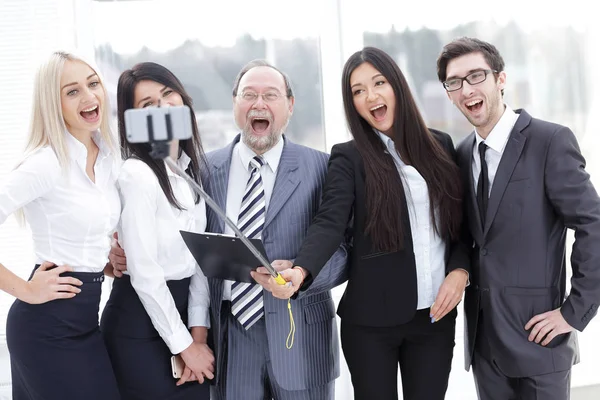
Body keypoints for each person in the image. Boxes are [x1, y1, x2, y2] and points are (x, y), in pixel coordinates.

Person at [110, 59, 348, 400]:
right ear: (235, 104)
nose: (259, 103)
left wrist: (304, 276)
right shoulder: (202, 171)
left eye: (271, 95)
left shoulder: (322, 167)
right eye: (249, 95)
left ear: (290, 105)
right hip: (232, 340)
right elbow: (188, 248)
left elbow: (344, 250)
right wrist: (118, 253)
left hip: (302, 342)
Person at [271, 46, 471, 400]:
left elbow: (461, 226)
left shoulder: (441, 146)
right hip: (371, 324)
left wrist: (460, 271)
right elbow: (329, 223)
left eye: (378, 83)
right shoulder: (349, 157)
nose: (370, 96)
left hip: (435, 319)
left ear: (397, 86)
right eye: (358, 90)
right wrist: (301, 271)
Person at [436, 36, 600, 400]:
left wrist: (573, 313)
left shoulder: (549, 141)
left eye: (476, 76)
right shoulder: (462, 155)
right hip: (484, 345)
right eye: (454, 82)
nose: (466, 89)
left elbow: (593, 224)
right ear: (448, 93)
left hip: (541, 340)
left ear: (501, 79)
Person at [0, 51, 121, 399]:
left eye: (93, 83)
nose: (88, 96)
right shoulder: (46, 163)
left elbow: (85, 230)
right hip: (45, 327)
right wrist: (26, 290)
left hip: (85, 320)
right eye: (72, 91)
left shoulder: (109, 158)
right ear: (53, 104)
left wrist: (105, 263)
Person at [99, 62, 213, 400]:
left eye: (167, 94)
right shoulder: (136, 175)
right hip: (139, 327)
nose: (163, 106)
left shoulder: (192, 173)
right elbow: (146, 275)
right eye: (148, 104)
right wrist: (184, 345)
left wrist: (199, 336)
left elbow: (200, 264)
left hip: (184, 322)